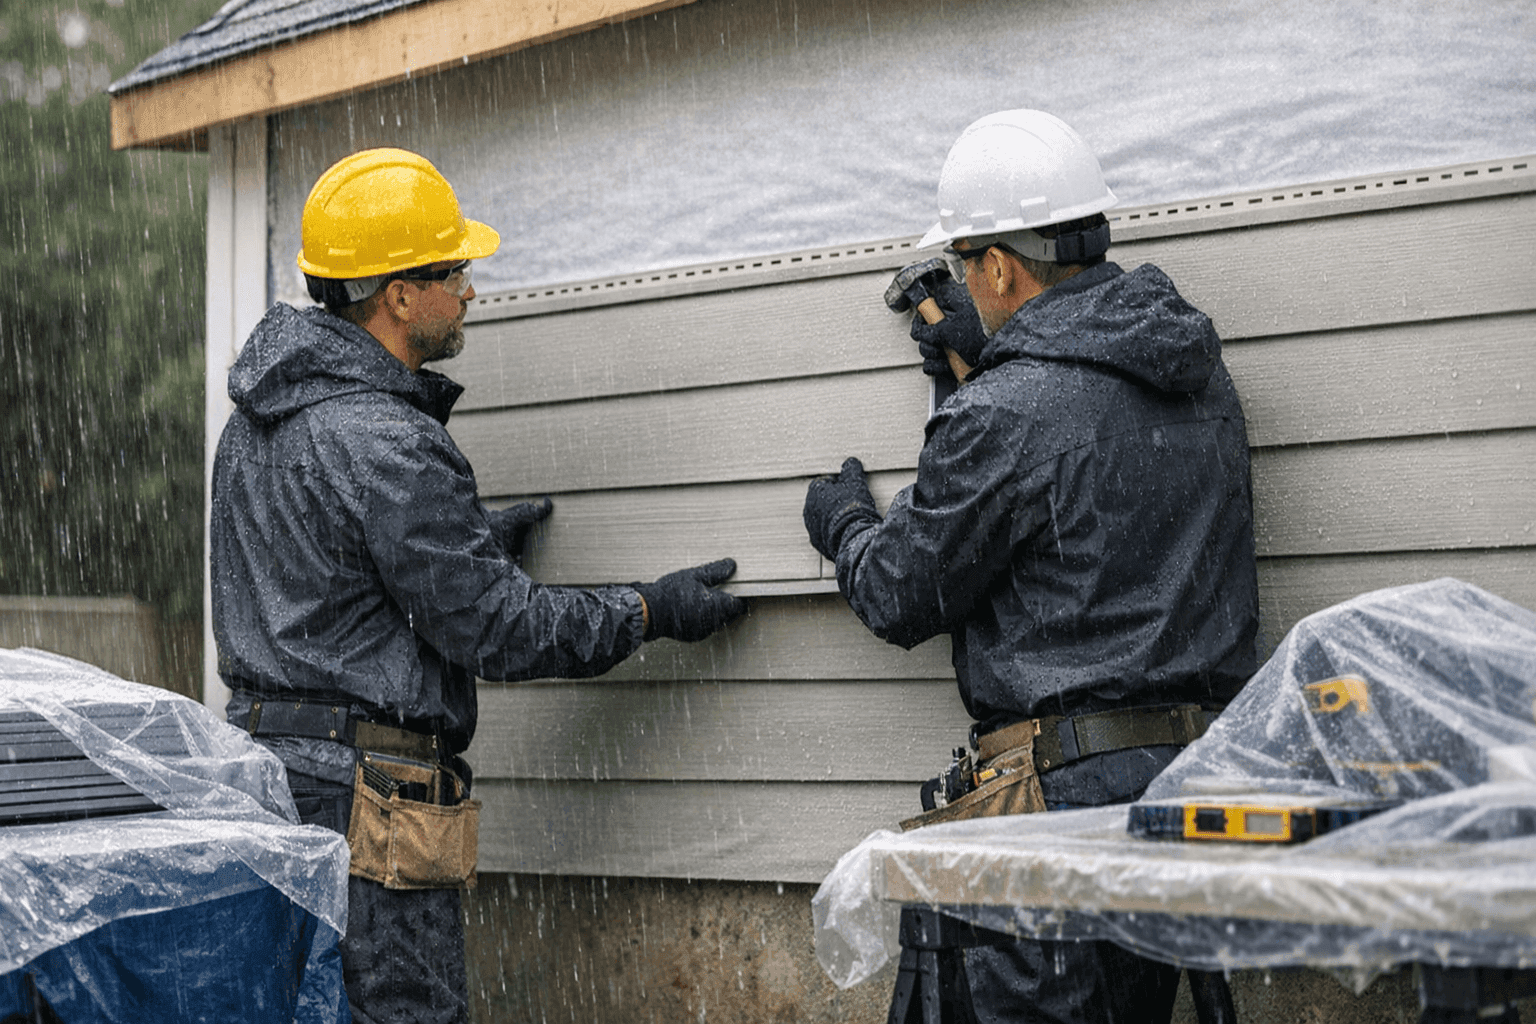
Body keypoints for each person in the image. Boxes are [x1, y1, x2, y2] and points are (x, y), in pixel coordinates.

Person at [210, 147, 746, 1024]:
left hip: (268, 785)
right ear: (397, 296)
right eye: (454, 270)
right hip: (368, 805)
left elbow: (318, 577)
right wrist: (651, 609)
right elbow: (503, 632)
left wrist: (462, 544)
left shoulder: (260, 422)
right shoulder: (386, 437)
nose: (469, 288)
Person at [802, 110, 1259, 1023]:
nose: (969, 280)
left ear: (1001, 266)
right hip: (1186, 787)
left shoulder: (1009, 412)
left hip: (1063, 806)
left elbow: (902, 592)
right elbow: (1084, 506)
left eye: (972, 264)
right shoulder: (1197, 375)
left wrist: (846, 523)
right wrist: (979, 377)